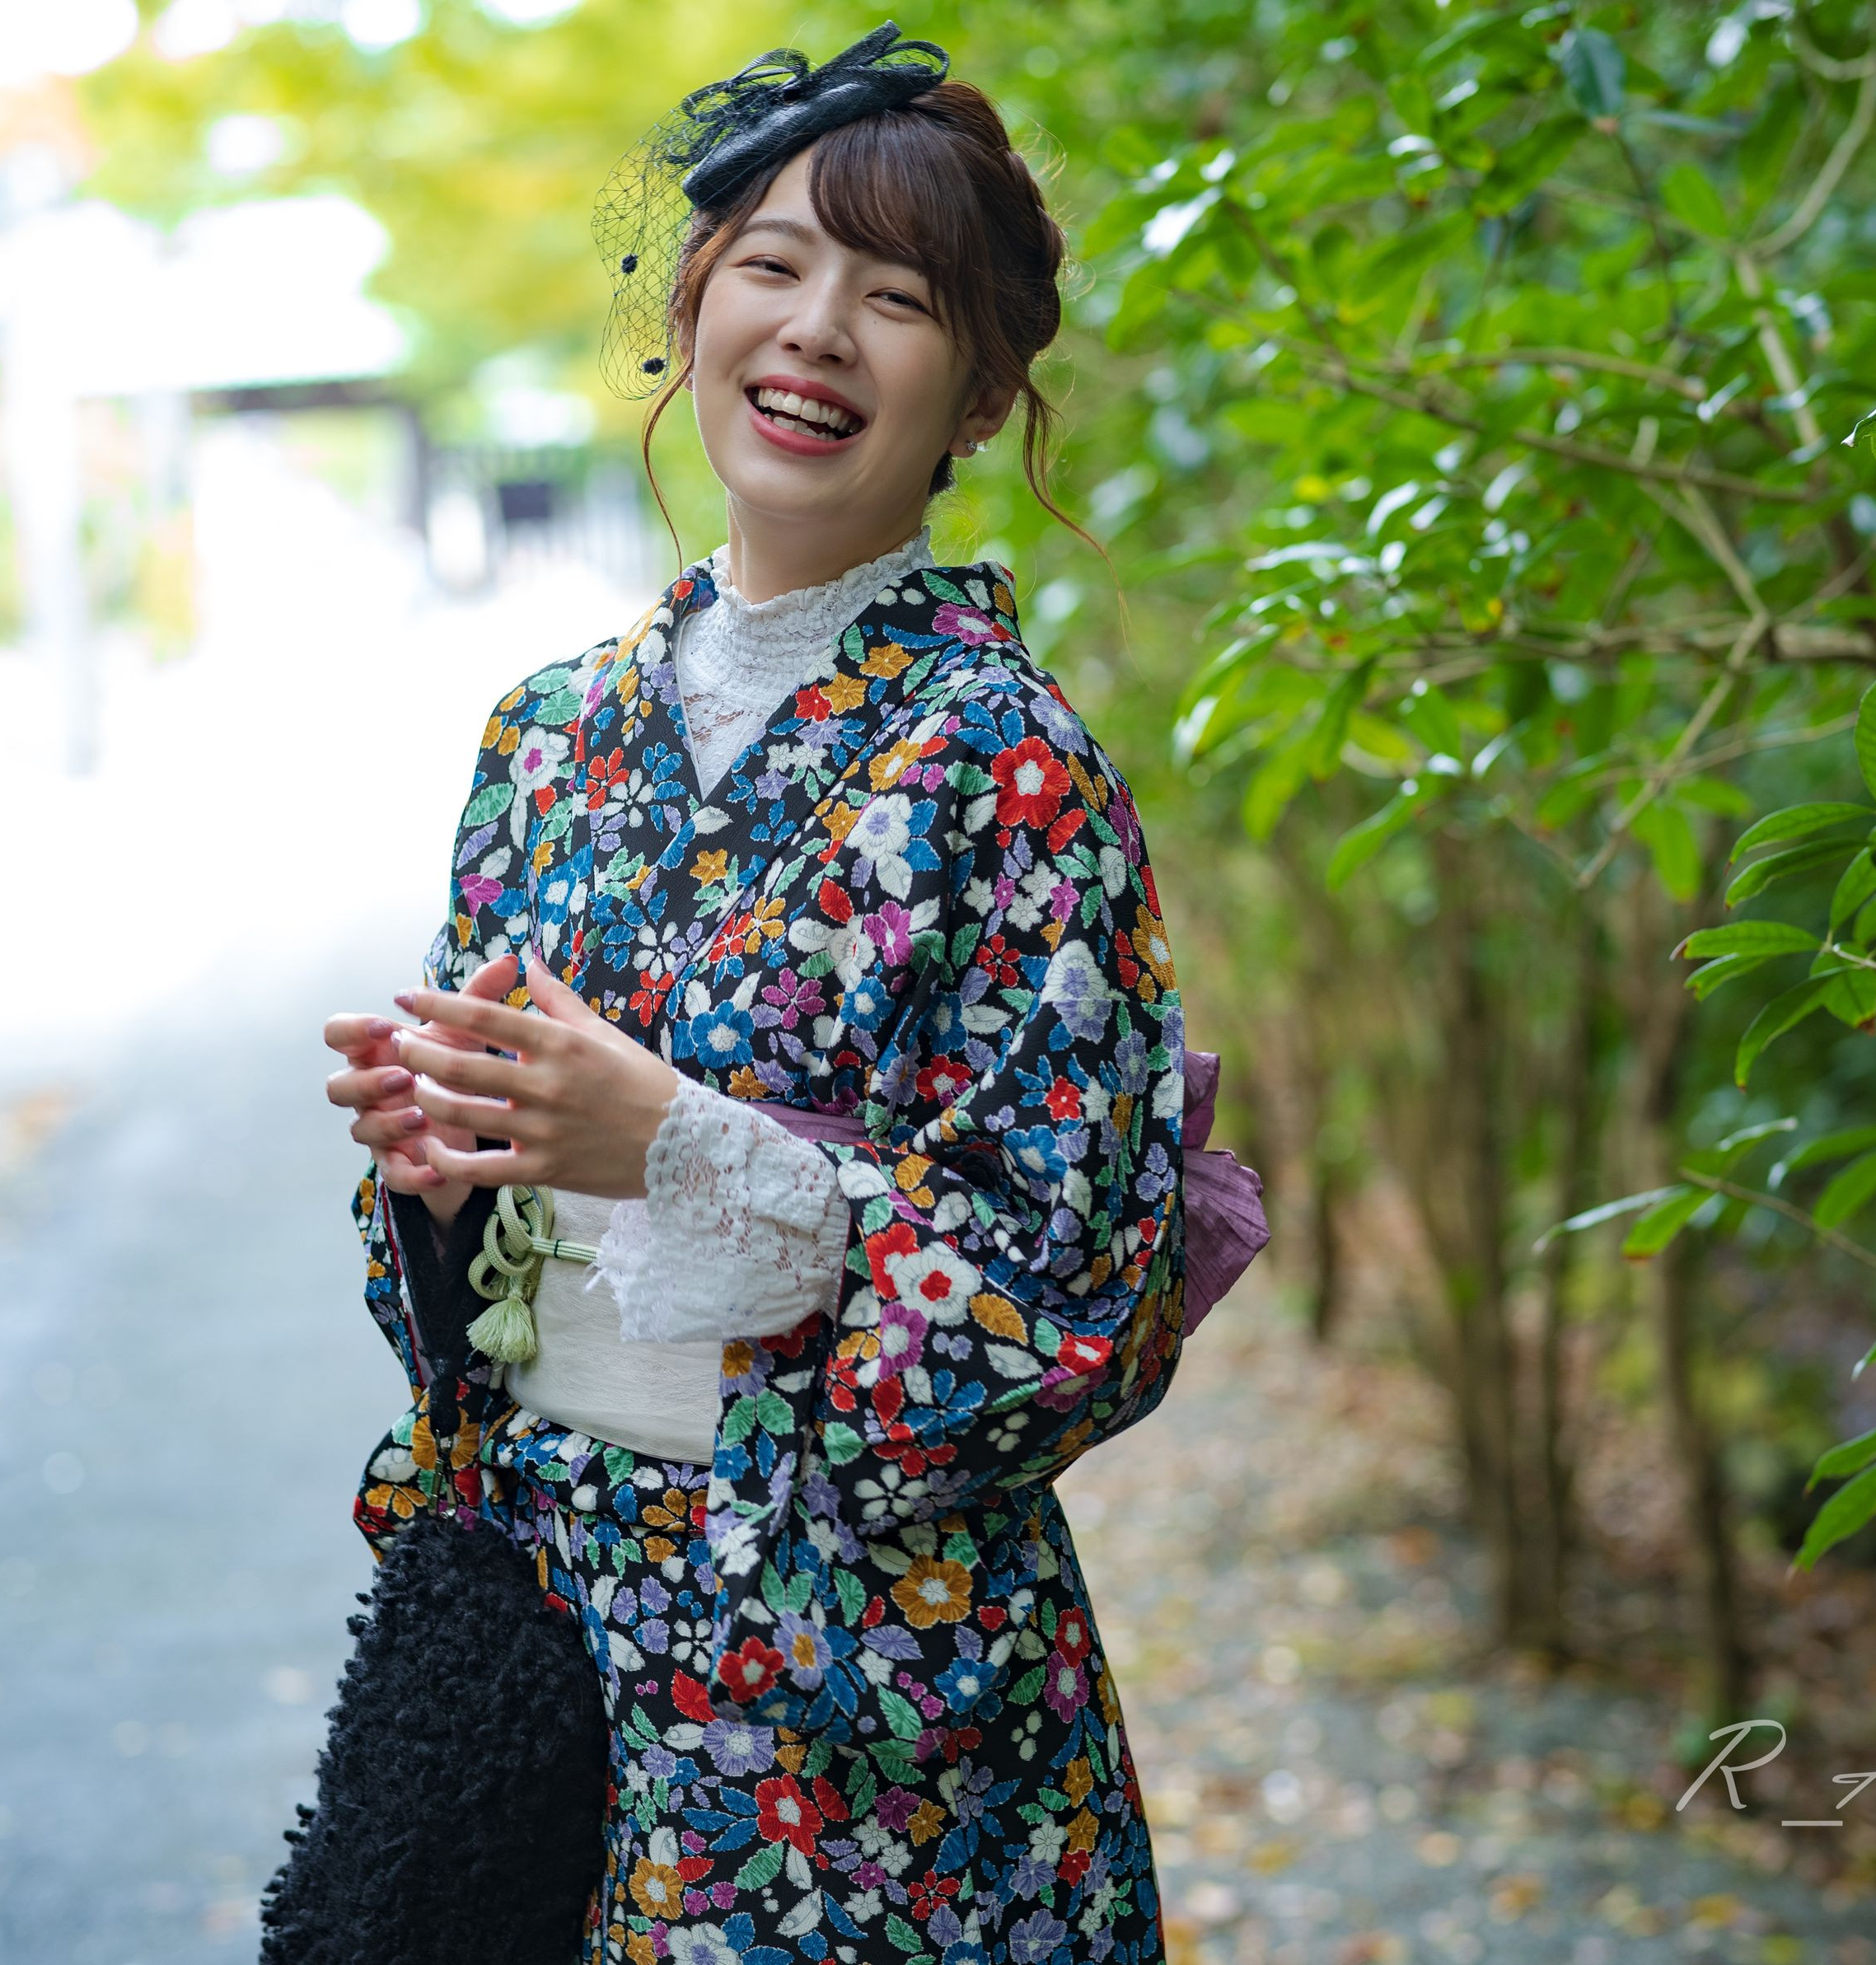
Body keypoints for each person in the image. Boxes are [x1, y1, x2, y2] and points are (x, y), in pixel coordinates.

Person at [315, 27, 1202, 1963]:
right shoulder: (545, 735)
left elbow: (1080, 1313)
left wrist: (673, 1142)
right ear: (693, 305)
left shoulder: (1010, 767)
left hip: (870, 1684)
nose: (817, 331)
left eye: (898, 298)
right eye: (775, 265)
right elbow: (465, 1315)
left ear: (981, 390)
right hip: (555, 1634)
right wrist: (443, 1171)